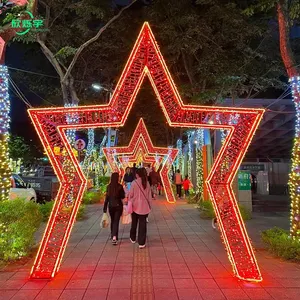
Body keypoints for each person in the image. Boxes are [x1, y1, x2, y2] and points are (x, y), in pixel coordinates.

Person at [128, 168, 152, 249]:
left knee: (134, 223)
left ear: (138, 174)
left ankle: (133, 238)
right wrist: (150, 206)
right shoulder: (147, 183)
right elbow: (149, 197)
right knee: (143, 225)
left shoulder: (134, 183)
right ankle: (141, 243)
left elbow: (130, 195)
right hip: (145, 207)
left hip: (135, 206)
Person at [103, 172, 125, 245]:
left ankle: (113, 235)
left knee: (113, 220)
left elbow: (107, 198)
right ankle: (114, 237)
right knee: (116, 221)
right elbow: (123, 196)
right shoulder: (120, 186)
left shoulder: (108, 187)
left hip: (111, 206)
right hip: (118, 206)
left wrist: (104, 209)